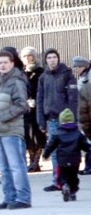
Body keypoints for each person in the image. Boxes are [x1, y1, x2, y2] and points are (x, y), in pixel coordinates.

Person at [0, 50, 31, 210]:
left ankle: (23, 198)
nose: (3, 65)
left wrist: (4, 117)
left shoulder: (16, 81)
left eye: (5, 62)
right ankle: (9, 197)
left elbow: (22, 105)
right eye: (0, 63)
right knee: (4, 167)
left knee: (16, 165)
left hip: (11, 130)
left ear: (12, 63)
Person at [37, 48, 78, 192]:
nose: (52, 60)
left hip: (66, 120)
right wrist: (41, 120)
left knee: (69, 151)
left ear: (58, 59)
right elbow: (40, 99)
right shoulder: (43, 77)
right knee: (55, 152)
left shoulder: (67, 75)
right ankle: (57, 181)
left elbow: (73, 98)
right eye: (49, 57)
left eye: (54, 57)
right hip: (51, 120)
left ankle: (69, 180)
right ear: (45, 60)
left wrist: (72, 117)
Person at [42, 108, 90, 202]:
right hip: (75, 160)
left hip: (62, 160)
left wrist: (45, 154)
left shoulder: (57, 134)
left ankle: (64, 185)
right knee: (73, 176)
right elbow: (85, 146)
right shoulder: (78, 134)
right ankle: (73, 192)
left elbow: (50, 145)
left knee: (62, 176)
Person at [20, 46, 46, 172]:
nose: (27, 58)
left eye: (29, 55)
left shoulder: (40, 71)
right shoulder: (20, 72)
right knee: (27, 135)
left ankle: (36, 161)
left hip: (38, 107)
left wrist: (35, 100)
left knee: (38, 134)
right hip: (24, 109)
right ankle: (31, 159)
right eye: (24, 56)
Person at [75, 56, 91, 176]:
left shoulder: (87, 78)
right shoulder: (83, 77)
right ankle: (88, 166)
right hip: (85, 115)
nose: (77, 69)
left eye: (79, 66)